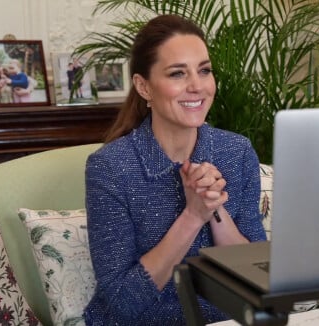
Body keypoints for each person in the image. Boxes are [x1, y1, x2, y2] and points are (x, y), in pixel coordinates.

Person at [84, 14, 266, 325]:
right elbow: (122, 303)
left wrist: (214, 207)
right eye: (177, 74)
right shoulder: (110, 168)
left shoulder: (236, 152)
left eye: (204, 70)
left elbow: (257, 275)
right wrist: (193, 216)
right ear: (144, 87)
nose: (197, 86)